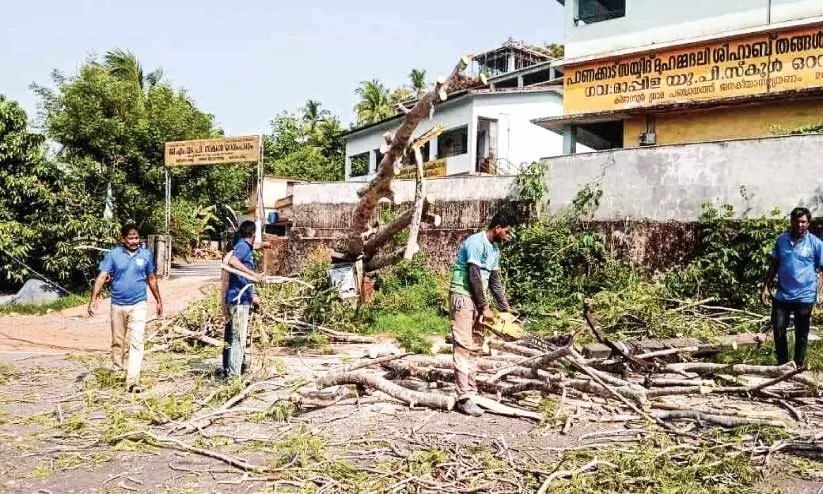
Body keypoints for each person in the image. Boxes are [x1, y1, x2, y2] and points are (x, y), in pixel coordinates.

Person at [448, 210, 514, 416]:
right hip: (463, 295)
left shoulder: (494, 250)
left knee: (476, 344)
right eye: (507, 232)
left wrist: (505, 310)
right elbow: (474, 276)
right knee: (463, 345)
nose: (508, 236)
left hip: (477, 298)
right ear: (497, 229)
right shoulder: (475, 242)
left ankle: (472, 391)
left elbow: (494, 282)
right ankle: (463, 397)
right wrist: (485, 306)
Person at [88, 224, 163, 392]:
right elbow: (102, 277)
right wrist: (93, 299)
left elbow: (151, 278)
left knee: (137, 341)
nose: (134, 241)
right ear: (123, 239)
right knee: (117, 341)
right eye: (130, 238)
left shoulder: (146, 255)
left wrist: (159, 300)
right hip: (118, 304)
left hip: (139, 303)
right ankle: (117, 371)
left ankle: (133, 380)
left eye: (136, 238)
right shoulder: (114, 255)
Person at [762, 207, 823, 367]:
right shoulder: (781, 240)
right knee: (779, 329)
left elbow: (821, 269)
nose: (799, 225)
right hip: (783, 295)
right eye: (796, 221)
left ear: (808, 223)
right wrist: (766, 287)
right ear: (791, 222)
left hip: (805, 295)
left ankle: (798, 365)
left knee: (801, 333)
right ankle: (783, 365)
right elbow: (774, 264)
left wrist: (820, 293)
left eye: (803, 222)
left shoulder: (816, 244)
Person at [223, 221, 261, 378]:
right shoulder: (243, 247)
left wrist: (252, 295)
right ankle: (233, 377)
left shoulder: (244, 245)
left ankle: (234, 369)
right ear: (253, 234)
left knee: (234, 337)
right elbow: (233, 261)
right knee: (238, 339)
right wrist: (253, 275)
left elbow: (241, 277)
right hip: (239, 301)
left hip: (241, 298)